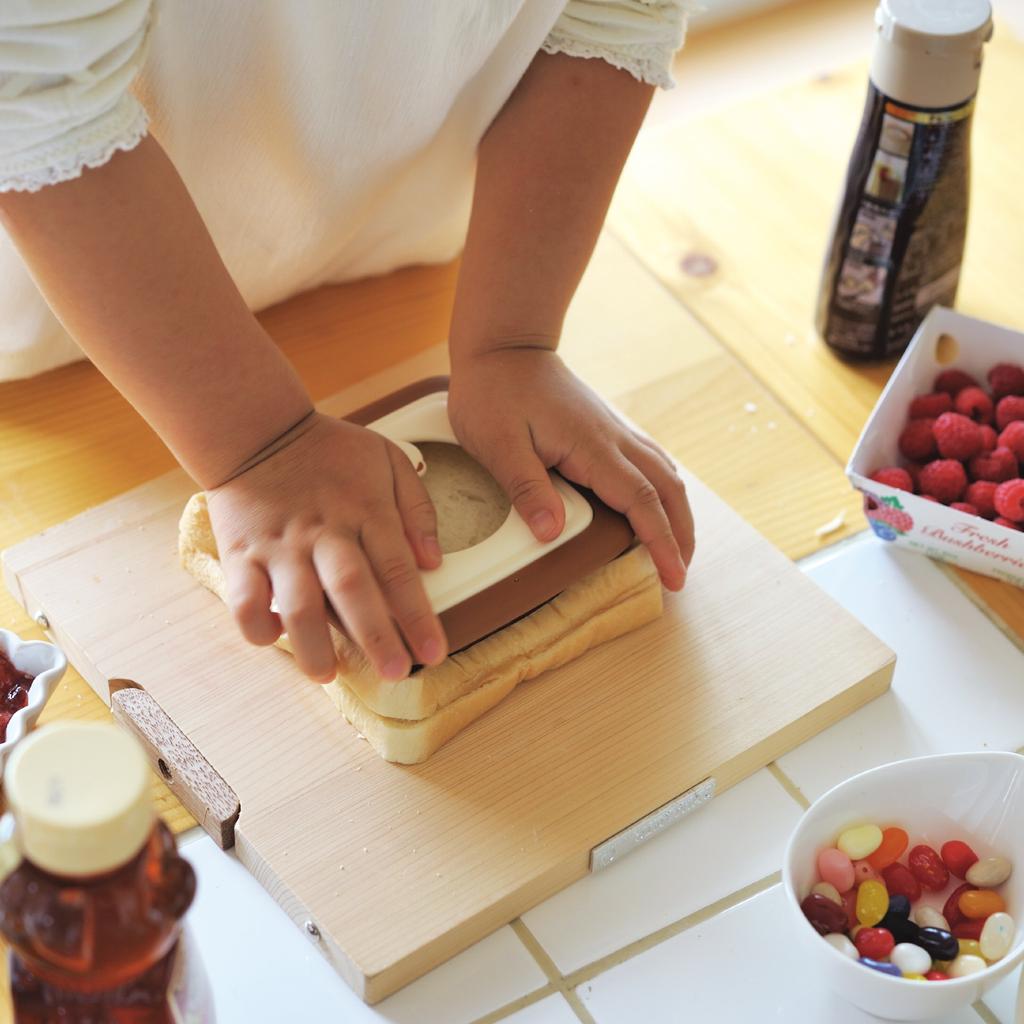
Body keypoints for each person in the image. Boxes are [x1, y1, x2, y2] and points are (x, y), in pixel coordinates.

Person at [0, 1, 696, 685]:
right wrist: (258, 445)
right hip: (91, 324)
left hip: (399, 247)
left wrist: (513, 338)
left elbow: (613, 12)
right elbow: (35, 97)